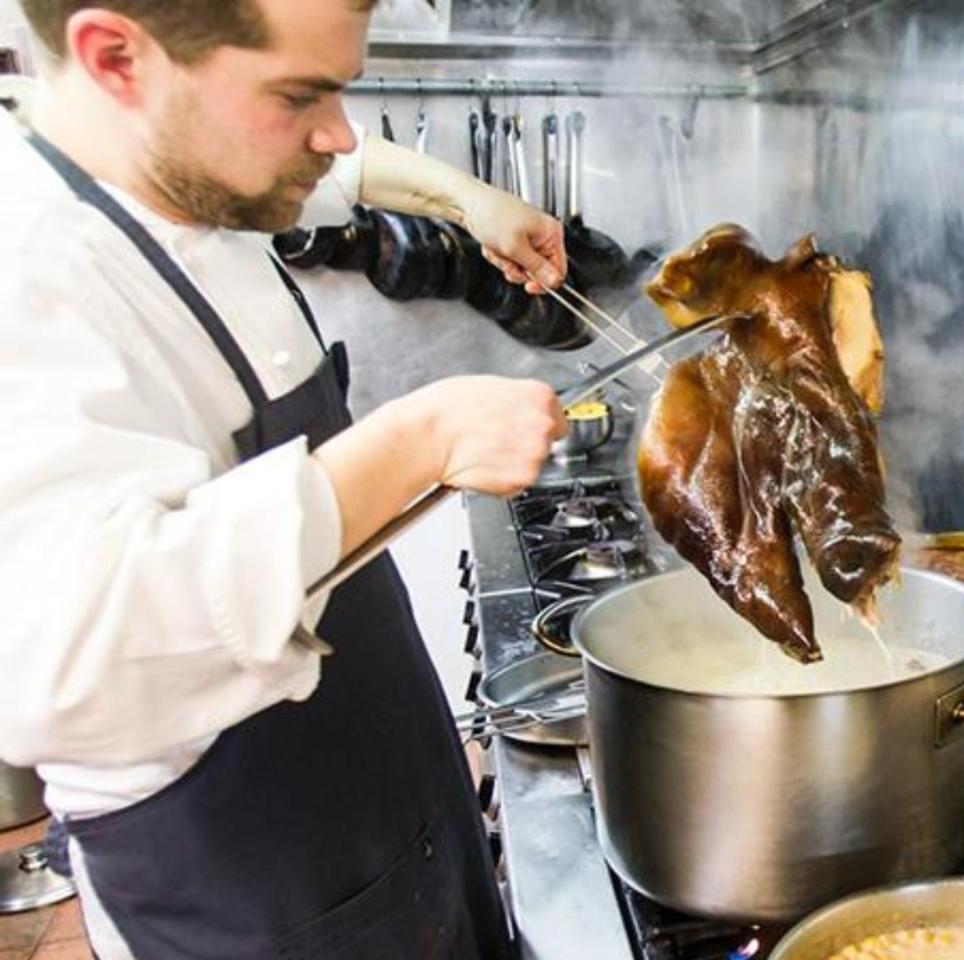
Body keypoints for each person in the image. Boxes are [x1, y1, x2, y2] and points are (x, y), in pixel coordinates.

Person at [0, 2, 574, 957]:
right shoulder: (29, 270)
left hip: (390, 795)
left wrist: (471, 200)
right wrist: (417, 442)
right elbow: (57, 667)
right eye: (301, 94)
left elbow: (346, 168)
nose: (336, 132)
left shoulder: (180, 168)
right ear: (115, 58)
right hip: (253, 891)